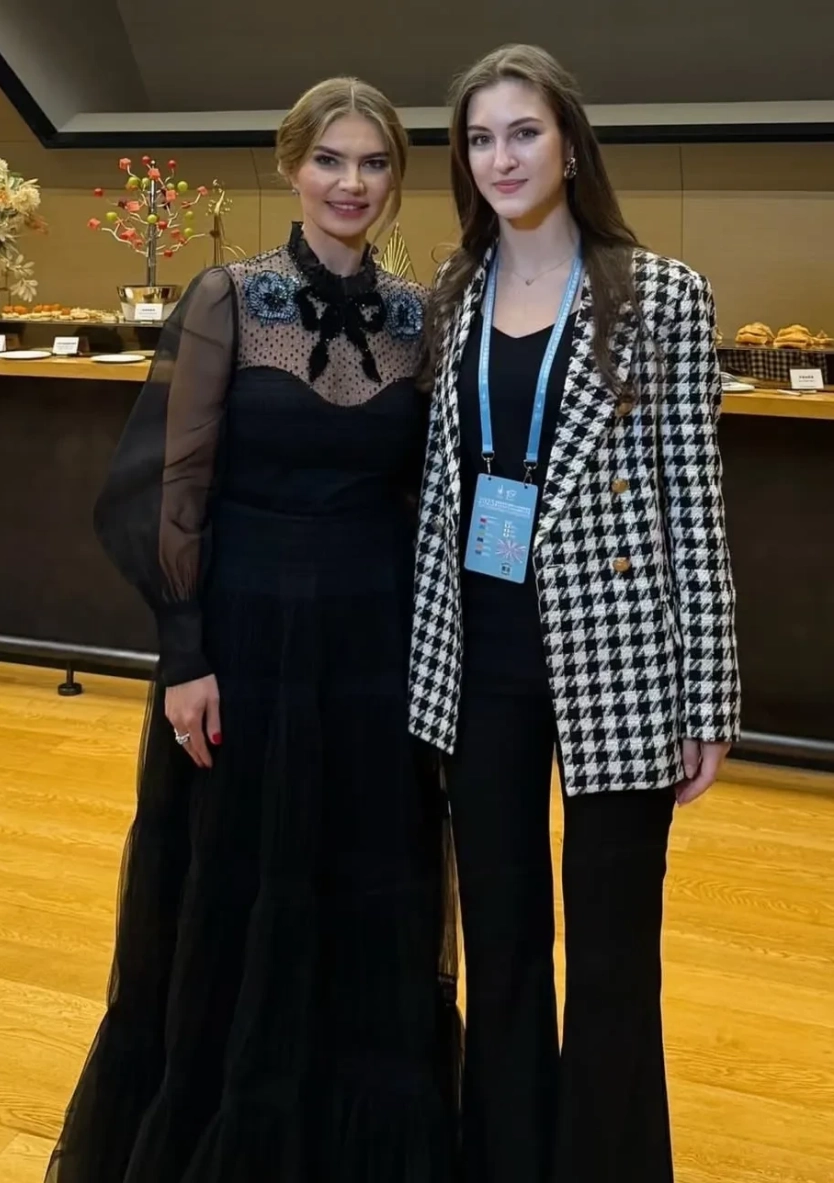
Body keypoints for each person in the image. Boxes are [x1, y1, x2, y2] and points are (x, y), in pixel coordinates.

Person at [47, 77, 459, 1183]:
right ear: (291, 167)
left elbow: (431, 493)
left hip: (373, 647)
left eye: (374, 162)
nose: (351, 183)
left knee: (366, 880)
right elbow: (168, 483)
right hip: (246, 640)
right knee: (241, 880)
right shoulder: (228, 296)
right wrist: (185, 654)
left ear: (396, 178)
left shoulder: (422, 315)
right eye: (331, 159)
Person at [408, 44, 741, 1183]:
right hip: (480, 654)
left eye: (523, 132)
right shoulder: (448, 296)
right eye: (480, 138)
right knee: (502, 941)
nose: (501, 158)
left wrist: (708, 696)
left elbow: (695, 503)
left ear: (569, 146)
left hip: (621, 656)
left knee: (610, 955)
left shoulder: (662, 295)